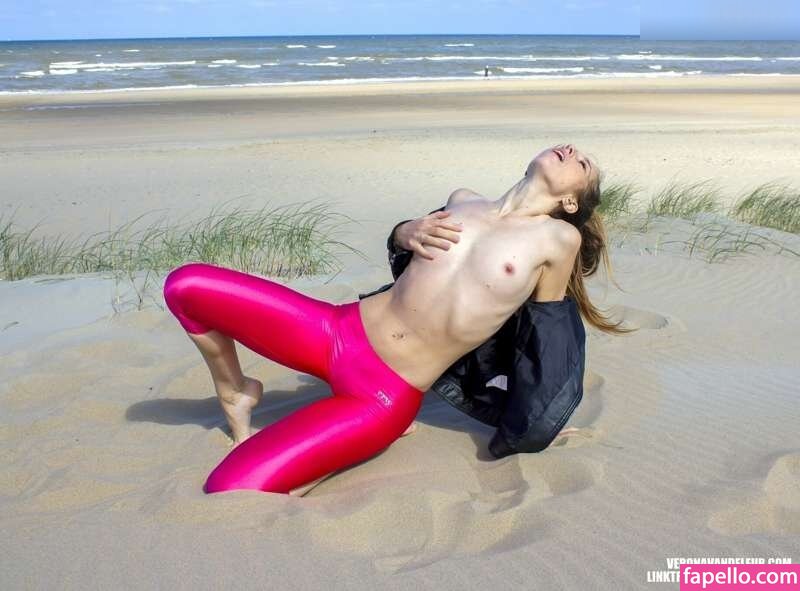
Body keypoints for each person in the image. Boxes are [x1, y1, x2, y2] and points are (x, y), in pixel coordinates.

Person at [163, 143, 618, 496]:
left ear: (571, 203)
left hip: (380, 396)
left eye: (583, 163)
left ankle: (360, 441)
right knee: (185, 286)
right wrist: (404, 230)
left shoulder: (557, 240)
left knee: (229, 488)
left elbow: (545, 339)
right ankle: (236, 390)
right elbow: (409, 260)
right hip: (334, 332)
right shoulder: (463, 200)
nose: (571, 150)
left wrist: (542, 418)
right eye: (570, 147)